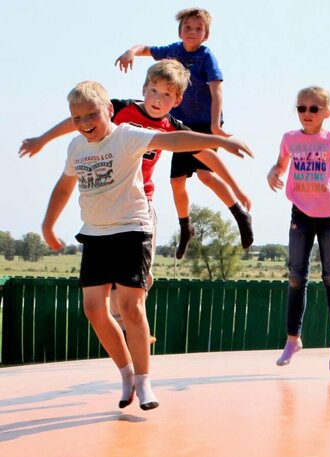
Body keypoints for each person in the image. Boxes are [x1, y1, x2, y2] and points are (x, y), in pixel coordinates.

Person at [41, 80, 252, 410]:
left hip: (131, 230)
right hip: (95, 234)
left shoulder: (126, 135)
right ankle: (126, 374)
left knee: (130, 307)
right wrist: (48, 224)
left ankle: (144, 382)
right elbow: (65, 187)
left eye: (91, 115)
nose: (84, 123)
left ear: (109, 110)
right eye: (77, 117)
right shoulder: (76, 147)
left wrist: (218, 142)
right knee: (94, 310)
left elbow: (173, 140)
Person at [19, 59, 250, 259]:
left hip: (140, 199)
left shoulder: (171, 127)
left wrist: (236, 189)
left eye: (166, 95)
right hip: (110, 195)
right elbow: (78, 120)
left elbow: (206, 155)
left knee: (134, 279)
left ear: (177, 101)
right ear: (144, 89)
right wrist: (42, 139)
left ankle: (142, 274)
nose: (158, 99)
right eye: (154, 91)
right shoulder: (120, 110)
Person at [114, 7, 253, 252]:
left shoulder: (206, 56)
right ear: (180, 31)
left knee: (205, 174)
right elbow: (145, 48)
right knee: (177, 181)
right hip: (178, 125)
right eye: (188, 28)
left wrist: (214, 125)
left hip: (203, 123)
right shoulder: (172, 51)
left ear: (205, 35)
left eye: (198, 29)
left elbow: (216, 90)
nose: (192, 32)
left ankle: (239, 213)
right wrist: (130, 52)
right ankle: (186, 226)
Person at [266, 86, 330, 373]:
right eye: (301, 108)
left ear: (325, 113)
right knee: (296, 276)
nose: (306, 113)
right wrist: (273, 173)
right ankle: (293, 339)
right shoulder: (290, 139)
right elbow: (280, 165)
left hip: (329, 216)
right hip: (300, 213)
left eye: (313, 109)